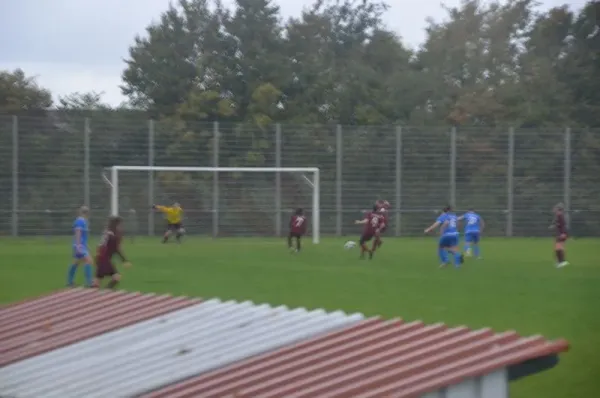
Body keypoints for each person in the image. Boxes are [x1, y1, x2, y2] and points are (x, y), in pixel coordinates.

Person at [93, 216, 131, 289]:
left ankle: (91, 294)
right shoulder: (112, 236)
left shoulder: (107, 232)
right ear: (116, 225)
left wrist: (97, 256)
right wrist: (124, 260)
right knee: (117, 277)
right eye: (120, 225)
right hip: (105, 259)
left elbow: (101, 245)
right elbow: (116, 249)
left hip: (100, 257)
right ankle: (106, 292)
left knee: (97, 280)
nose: (121, 227)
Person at [67, 206, 93, 287]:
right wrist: (78, 246)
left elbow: (83, 235)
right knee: (89, 260)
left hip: (81, 245)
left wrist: (86, 245)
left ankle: (70, 281)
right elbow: (78, 232)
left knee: (76, 262)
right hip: (80, 245)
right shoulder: (80, 221)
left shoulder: (82, 221)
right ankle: (88, 282)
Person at [550, 203, 569, 268]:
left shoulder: (560, 216)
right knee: (559, 248)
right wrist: (553, 226)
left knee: (558, 248)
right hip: (560, 234)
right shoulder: (558, 216)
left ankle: (562, 262)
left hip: (561, 234)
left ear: (558, 209)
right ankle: (559, 262)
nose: (553, 209)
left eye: (555, 208)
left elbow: (563, 225)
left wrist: (563, 233)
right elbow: (558, 225)